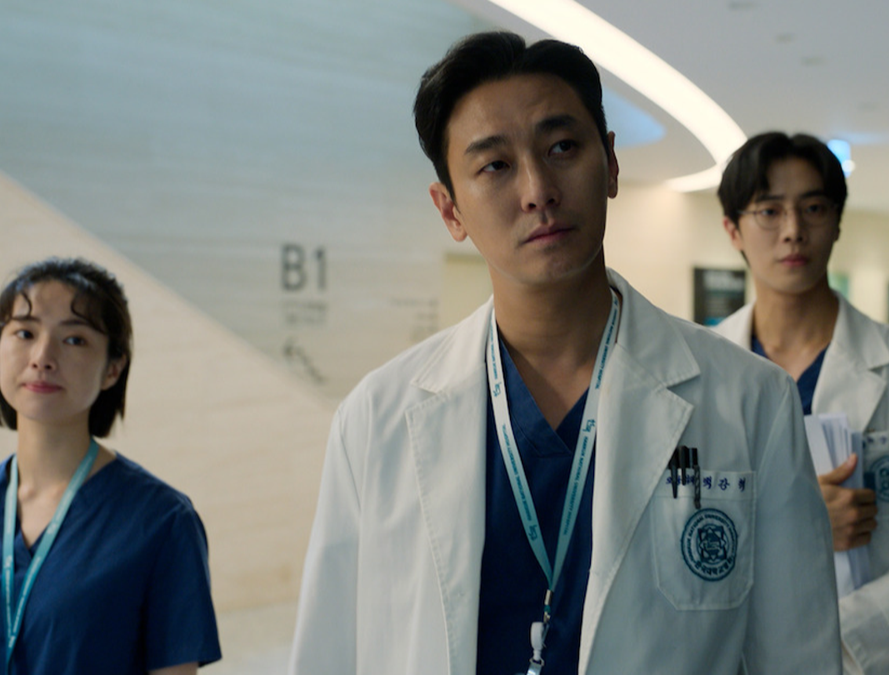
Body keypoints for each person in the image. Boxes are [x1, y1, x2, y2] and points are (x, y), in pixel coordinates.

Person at [290, 31, 841, 674]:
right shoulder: (375, 418)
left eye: (561, 148)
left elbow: (798, 655)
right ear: (450, 210)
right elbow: (330, 652)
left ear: (611, 163)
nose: (538, 190)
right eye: (495, 165)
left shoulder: (750, 399)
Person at [713, 131, 889, 674]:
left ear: (837, 221)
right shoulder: (699, 374)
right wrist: (794, 526)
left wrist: (831, 634)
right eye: (769, 211)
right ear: (733, 229)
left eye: (813, 208)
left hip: (878, 657)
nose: (793, 231)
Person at [0, 257, 221, 675]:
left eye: (74, 339)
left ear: (113, 369)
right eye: (25, 333)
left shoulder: (162, 522)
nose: (42, 357)